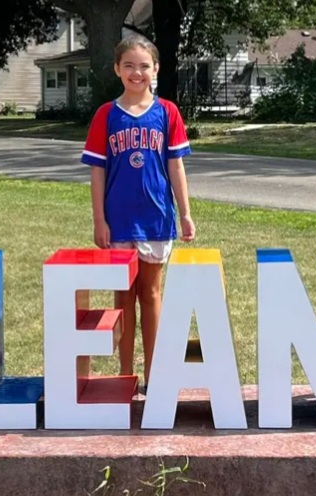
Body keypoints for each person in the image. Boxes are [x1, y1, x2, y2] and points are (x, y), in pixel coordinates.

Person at [80, 36, 196, 389]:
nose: (137, 72)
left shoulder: (167, 113)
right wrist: (100, 219)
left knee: (151, 294)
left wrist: (185, 213)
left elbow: (175, 166)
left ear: (156, 69)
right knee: (123, 298)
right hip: (119, 220)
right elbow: (97, 170)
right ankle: (125, 374)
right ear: (117, 69)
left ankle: (155, 376)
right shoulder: (105, 115)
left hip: (156, 217)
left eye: (144, 65)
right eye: (129, 65)